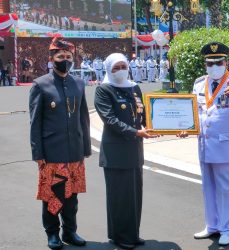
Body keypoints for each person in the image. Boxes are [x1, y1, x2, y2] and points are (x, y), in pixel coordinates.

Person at [179, 42, 229, 246]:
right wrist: (186, 126)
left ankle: (228, 229)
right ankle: (212, 225)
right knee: (208, 188)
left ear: (226, 62)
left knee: (227, 190)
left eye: (218, 62)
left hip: (227, 147)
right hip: (205, 145)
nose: (214, 67)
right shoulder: (199, 83)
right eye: (209, 63)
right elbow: (194, 110)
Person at [29, 37, 91, 250]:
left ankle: (70, 231)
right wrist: (38, 153)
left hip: (75, 151)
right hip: (52, 152)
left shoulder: (79, 84)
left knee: (72, 198)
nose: (65, 60)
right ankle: (52, 233)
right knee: (53, 195)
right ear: (51, 59)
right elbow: (35, 122)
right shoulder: (41, 85)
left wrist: (86, 148)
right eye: (60, 56)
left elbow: (84, 118)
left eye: (68, 57)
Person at [94, 53, 158, 249]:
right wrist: (136, 132)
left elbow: (143, 114)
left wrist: (159, 127)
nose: (121, 70)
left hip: (134, 150)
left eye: (123, 65)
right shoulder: (103, 90)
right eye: (116, 67)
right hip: (116, 152)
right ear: (108, 69)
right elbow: (110, 119)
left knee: (134, 195)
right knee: (119, 197)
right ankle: (121, 237)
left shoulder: (134, 87)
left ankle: (132, 233)